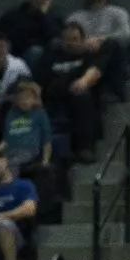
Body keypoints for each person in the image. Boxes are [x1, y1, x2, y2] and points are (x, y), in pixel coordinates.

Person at [35, 22, 104, 162]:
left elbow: (94, 74)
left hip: (78, 98)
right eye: (66, 39)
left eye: (75, 39)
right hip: (53, 96)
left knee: (81, 95)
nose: (70, 43)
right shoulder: (51, 56)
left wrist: (79, 81)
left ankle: (84, 148)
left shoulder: (88, 57)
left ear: (82, 41)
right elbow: (39, 81)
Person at [71, 0, 130, 97]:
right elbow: (67, 41)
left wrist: (99, 41)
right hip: (84, 59)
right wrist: (84, 45)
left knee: (111, 44)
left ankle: (92, 82)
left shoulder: (118, 13)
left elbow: (126, 35)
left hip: (112, 63)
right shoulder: (75, 17)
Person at [0, 0, 62, 66]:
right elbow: (14, 35)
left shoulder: (55, 16)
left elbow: (54, 37)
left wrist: (43, 15)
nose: (39, 0)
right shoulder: (16, 14)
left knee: (36, 51)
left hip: (44, 55)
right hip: (17, 51)